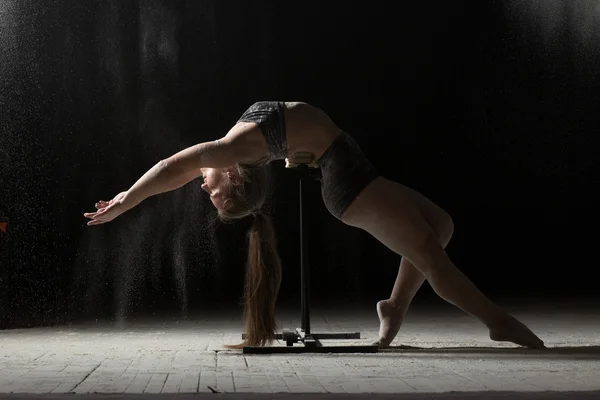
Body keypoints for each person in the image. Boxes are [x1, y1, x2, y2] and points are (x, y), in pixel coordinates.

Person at [84, 101, 545, 349]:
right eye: (216, 197)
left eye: (210, 192)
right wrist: (128, 201)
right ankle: (496, 322)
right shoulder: (236, 148)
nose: (205, 190)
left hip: (351, 166)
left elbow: (173, 166)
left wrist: (126, 199)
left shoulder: (239, 146)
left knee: (439, 226)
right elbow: (173, 169)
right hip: (346, 182)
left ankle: (395, 307)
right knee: (431, 254)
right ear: (235, 177)